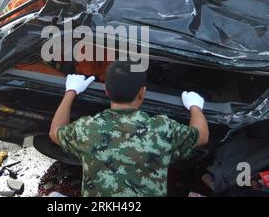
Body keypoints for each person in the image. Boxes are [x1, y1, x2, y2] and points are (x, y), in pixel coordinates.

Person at [49, 61, 209, 197]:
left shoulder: (86, 128)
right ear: (142, 92)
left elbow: (55, 131)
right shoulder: (162, 129)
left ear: (106, 90)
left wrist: (71, 91)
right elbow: (202, 135)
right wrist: (195, 106)